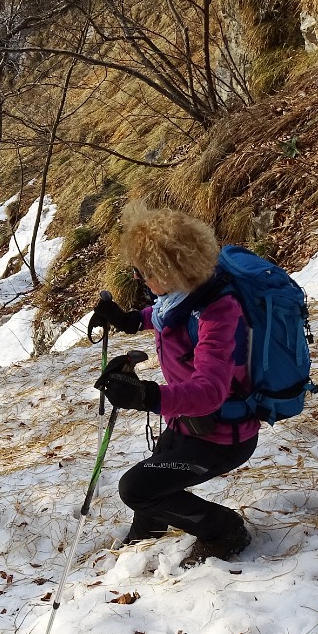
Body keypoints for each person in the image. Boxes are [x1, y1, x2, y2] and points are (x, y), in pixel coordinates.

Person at [88, 202, 256, 567]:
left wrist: (146, 395)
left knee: (136, 488)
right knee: (157, 474)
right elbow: (163, 315)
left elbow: (211, 393)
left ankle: (224, 530)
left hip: (222, 438)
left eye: (143, 271)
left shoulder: (218, 313)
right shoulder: (182, 297)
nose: (137, 277)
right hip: (188, 425)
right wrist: (129, 320)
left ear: (170, 270)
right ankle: (146, 535)